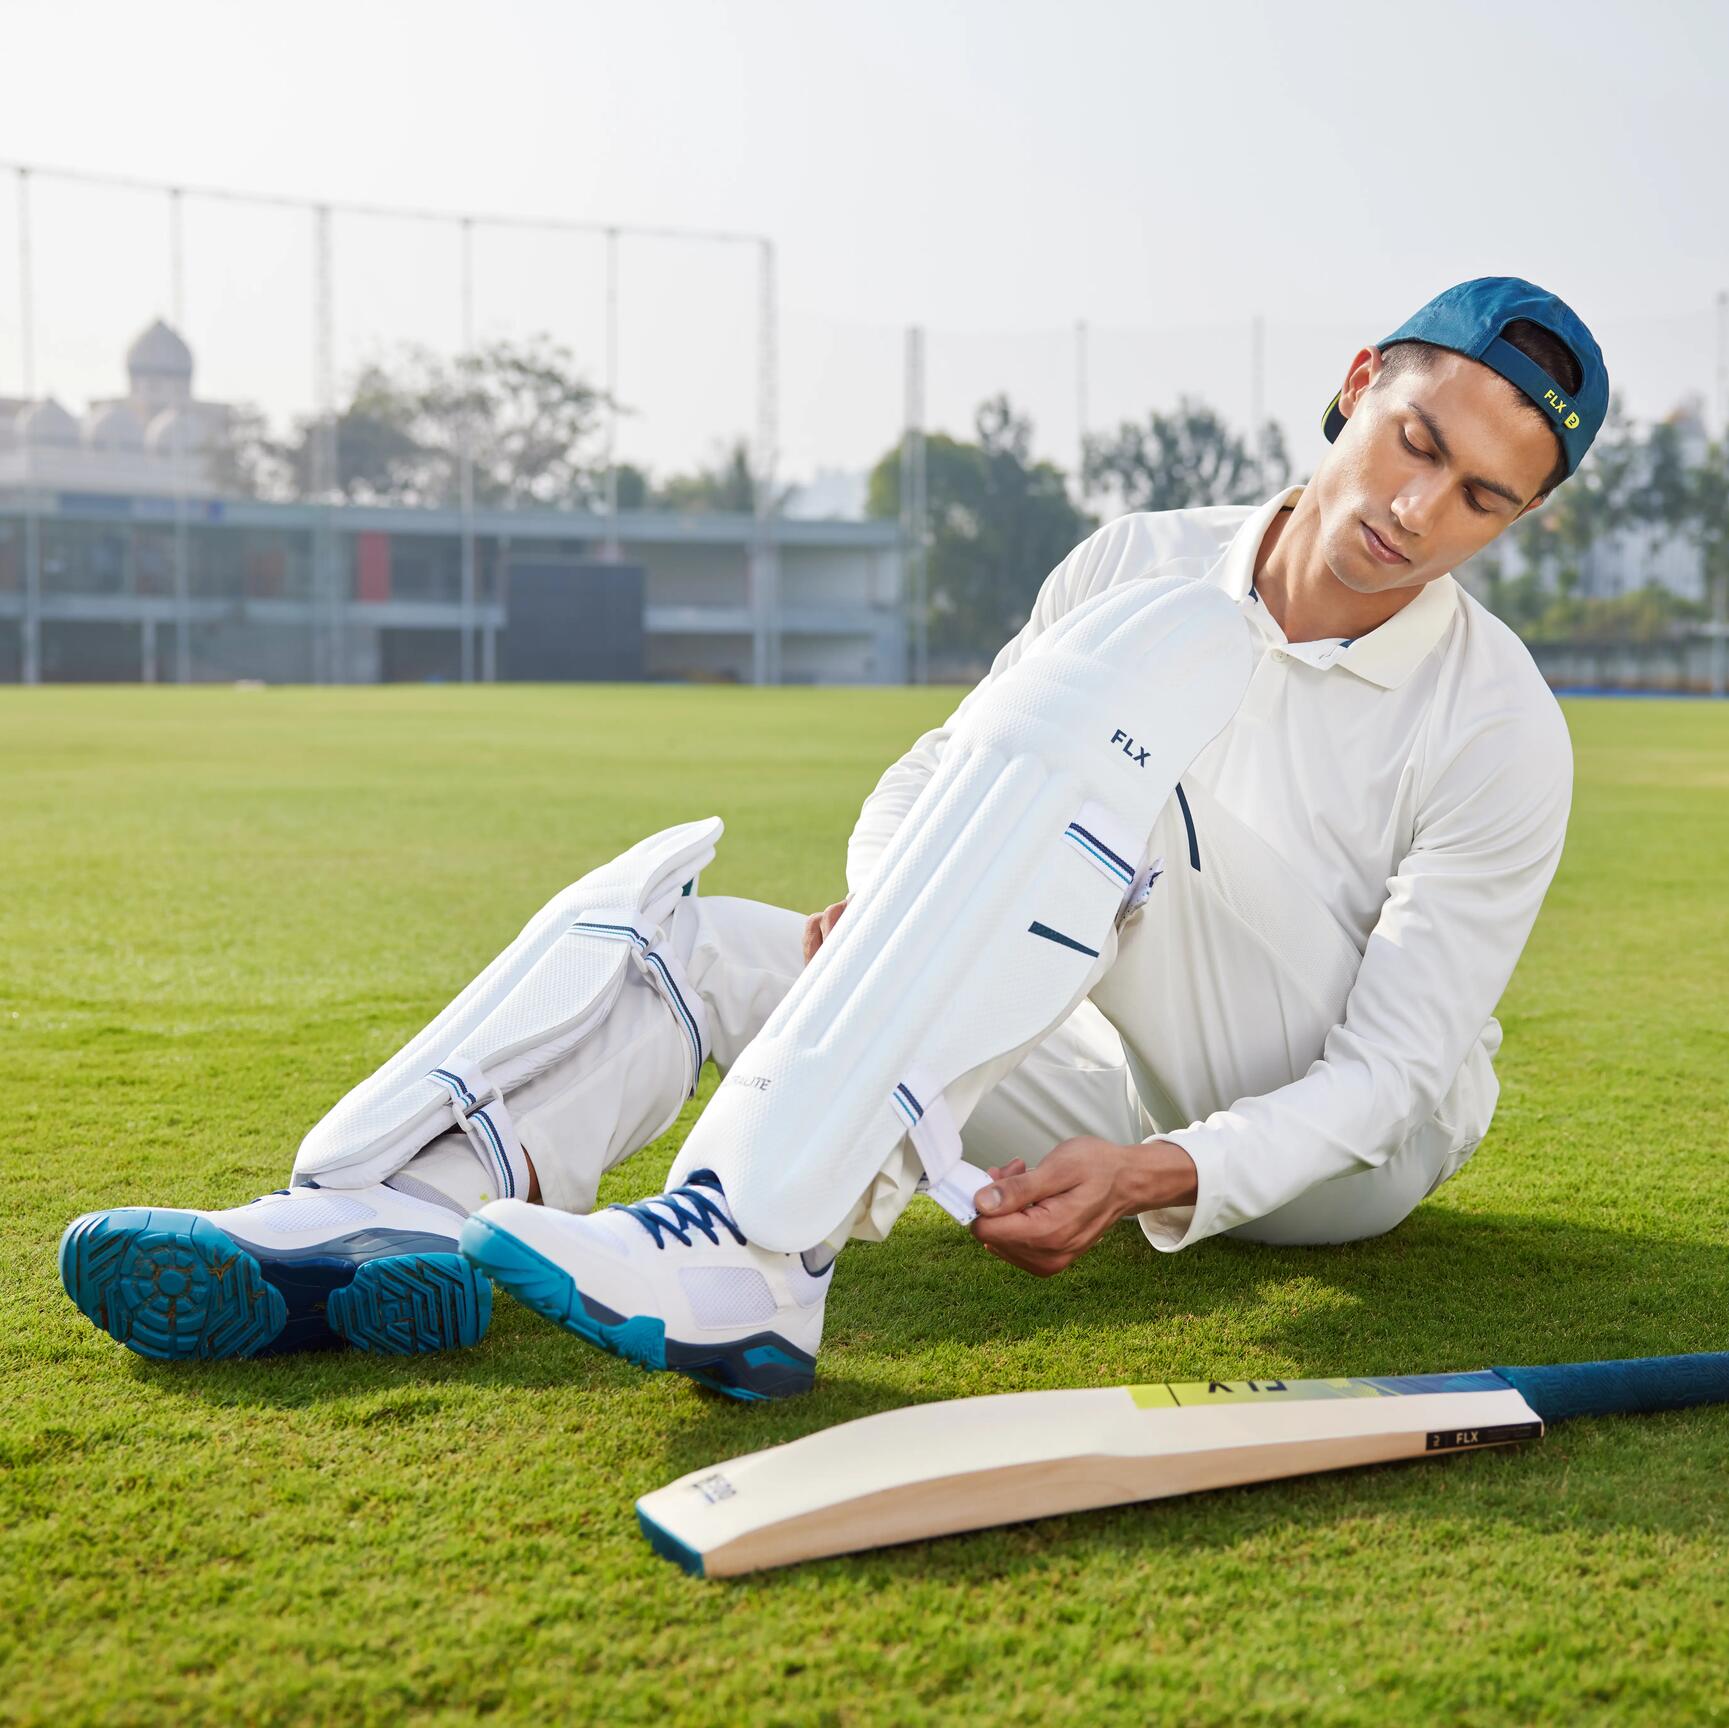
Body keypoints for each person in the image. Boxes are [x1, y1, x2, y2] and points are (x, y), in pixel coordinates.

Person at [58, 276, 1607, 1401]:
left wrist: (1156, 1172)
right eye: (1415, 441)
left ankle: (755, 1243)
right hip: (1106, 1043)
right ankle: (374, 1225)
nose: (1422, 509)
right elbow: (943, 772)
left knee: (1124, 790)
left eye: (1482, 498)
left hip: (1335, 1151)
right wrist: (881, 906)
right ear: (1356, 384)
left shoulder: (1498, 723)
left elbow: (1395, 1070)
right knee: (703, 938)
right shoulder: (1144, 558)